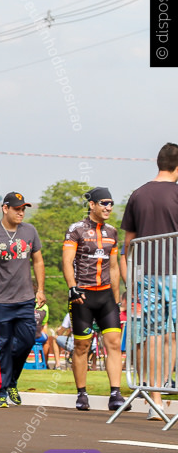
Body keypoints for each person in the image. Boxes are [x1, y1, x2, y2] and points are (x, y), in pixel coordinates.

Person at [120, 143, 178, 420]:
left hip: (143, 274)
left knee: (150, 335)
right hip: (174, 273)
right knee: (169, 336)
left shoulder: (138, 194)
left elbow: (128, 242)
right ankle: (161, 389)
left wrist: (130, 278)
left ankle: (155, 399)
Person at [0, 192, 46, 408]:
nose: (21, 212)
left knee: (26, 342)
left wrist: (40, 289)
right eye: (17, 209)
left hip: (25, 300)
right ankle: (0, 392)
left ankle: (11, 380)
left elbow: (38, 261)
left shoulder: (30, 231)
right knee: (1, 347)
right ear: (5, 209)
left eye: (23, 209)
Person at [63, 186, 127, 411]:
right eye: (104, 203)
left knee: (114, 344)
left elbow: (115, 267)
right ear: (92, 205)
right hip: (83, 295)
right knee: (82, 346)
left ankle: (115, 394)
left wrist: (118, 298)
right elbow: (67, 260)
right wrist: (72, 288)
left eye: (111, 203)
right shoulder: (76, 229)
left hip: (106, 295)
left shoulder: (112, 231)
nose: (109, 207)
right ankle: (82, 393)